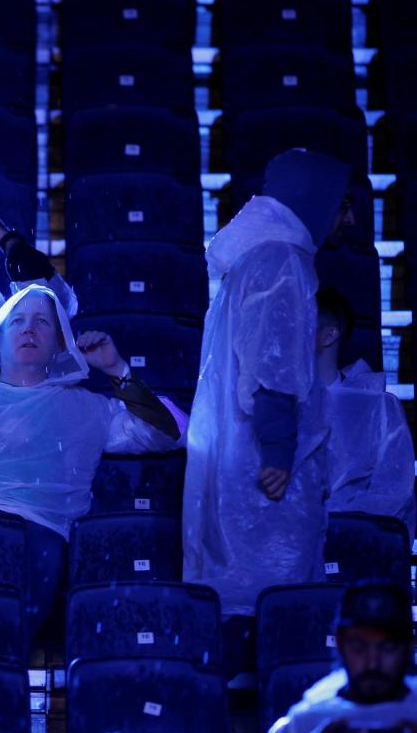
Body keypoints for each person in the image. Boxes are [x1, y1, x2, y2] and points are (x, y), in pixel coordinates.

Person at [0, 284, 184, 635]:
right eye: (18, 321)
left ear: (61, 343)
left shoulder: (85, 407)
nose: (29, 329)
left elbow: (170, 431)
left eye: (43, 322)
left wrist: (118, 370)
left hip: (37, 540)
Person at [183, 148, 357, 617]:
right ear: (314, 200)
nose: (351, 219)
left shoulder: (263, 258)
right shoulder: (282, 260)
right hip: (265, 468)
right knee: (276, 607)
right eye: (343, 205)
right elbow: (272, 361)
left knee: (250, 603)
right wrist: (278, 452)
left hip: (247, 457)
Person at [317, 288, 416, 536]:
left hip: (356, 547)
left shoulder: (379, 407)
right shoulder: (273, 408)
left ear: (328, 335)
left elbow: (395, 491)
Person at [269, 583, 417, 732]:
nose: (372, 663)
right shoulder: (307, 718)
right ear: (340, 645)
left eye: (387, 647)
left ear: (409, 648)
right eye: (359, 647)